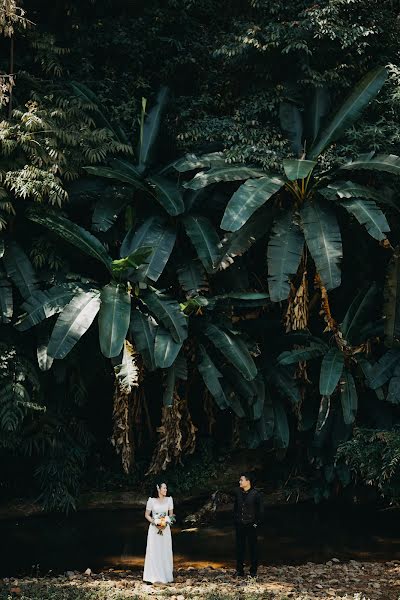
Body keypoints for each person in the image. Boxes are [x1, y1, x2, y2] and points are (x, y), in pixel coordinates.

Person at [233, 472, 263, 578]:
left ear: (248, 481)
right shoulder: (237, 492)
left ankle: (253, 571)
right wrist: (236, 521)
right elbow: (236, 508)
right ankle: (239, 570)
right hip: (240, 525)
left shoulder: (256, 494)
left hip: (251, 525)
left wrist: (256, 524)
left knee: (253, 548)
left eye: (241, 480)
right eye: (240, 480)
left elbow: (260, 511)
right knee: (239, 548)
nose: (239, 482)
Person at [143, 482, 174, 584]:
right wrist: (155, 522)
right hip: (154, 529)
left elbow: (171, 514)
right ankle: (152, 576)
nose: (166, 490)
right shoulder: (151, 501)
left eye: (166, 488)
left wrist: (166, 521)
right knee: (154, 550)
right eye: (164, 488)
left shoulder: (169, 500)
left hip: (165, 529)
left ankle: (166, 575)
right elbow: (147, 515)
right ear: (158, 489)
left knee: (165, 550)